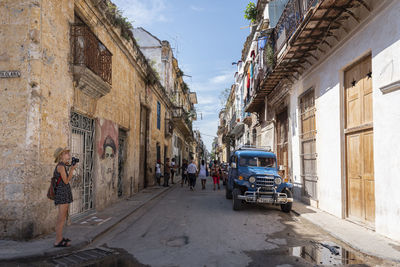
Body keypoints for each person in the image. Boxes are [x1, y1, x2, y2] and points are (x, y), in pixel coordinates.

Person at [53, 147, 78, 247]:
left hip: (64, 193)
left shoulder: (63, 165)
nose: (68, 155)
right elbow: (66, 181)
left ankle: (60, 238)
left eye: (68, 153)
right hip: (62, 194)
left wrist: (70, 166)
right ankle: (58, 241)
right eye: (66, 153)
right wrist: (72, 169)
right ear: (61, 155)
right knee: (61, 218)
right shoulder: (60, 166)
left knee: (62, 217)